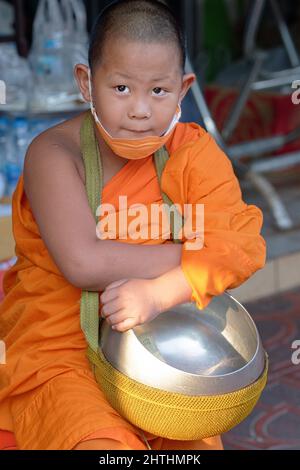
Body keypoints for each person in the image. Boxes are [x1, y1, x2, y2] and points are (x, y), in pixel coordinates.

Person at [0, 0, 266, 450]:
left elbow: (245, 245)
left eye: (158, 91)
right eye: (121, 88)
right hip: (62, 357)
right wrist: (194, 260)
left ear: (183, 90)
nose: (140, 110)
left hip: (162, 351)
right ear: (87, 82)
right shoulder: (55, 154)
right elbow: (84, 262)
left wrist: (162, 291)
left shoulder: (192, 155)